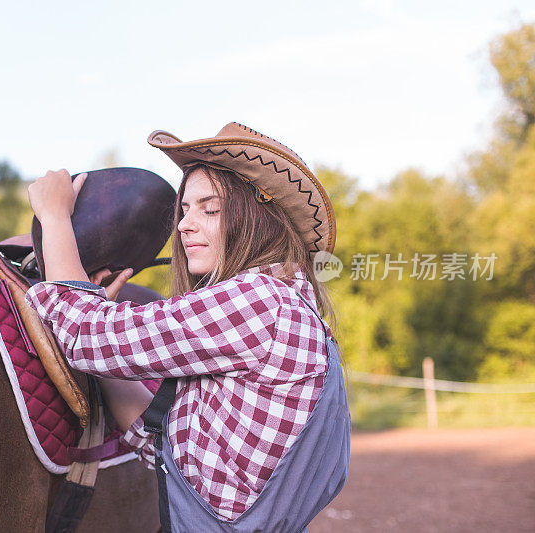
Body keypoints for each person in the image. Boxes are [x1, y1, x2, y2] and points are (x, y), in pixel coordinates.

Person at [25, 122, 350, 532]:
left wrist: (54, 218)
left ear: (258, 219)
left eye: (209, 209)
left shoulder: (259, 303)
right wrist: (101, 346)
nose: (184, 226)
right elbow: (162, 448)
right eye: (185, 210)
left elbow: (85, 337)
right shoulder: (297, 315)